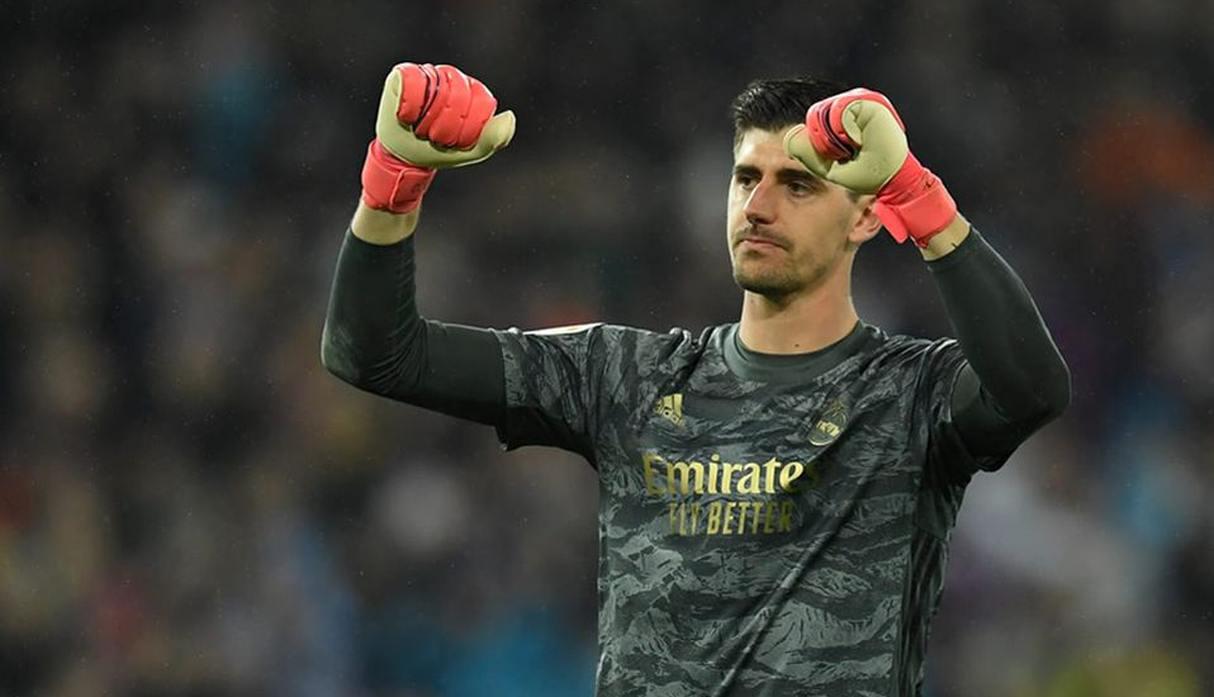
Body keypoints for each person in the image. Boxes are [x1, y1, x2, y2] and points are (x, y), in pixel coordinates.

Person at [321, 62, 1070, 696]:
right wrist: (394, 180)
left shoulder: (910, 394)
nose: (759, 205)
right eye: (747, 177)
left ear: (869, 216)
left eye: (798, 185)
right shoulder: (625, 376)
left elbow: (1031, 389)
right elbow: (375, 353)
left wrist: (923, 198)